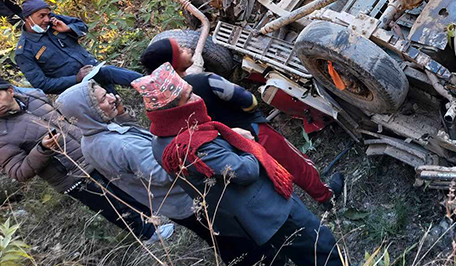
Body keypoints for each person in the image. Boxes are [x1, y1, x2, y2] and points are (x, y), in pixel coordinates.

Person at [134, 65, 343, 266]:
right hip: (268, 211)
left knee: (301, 253)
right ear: (172, 111)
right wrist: (245, 143)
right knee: (320, 246)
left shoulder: (161, 140)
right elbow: (247, 171)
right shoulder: (192, 146)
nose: (197, 97)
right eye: (189, 96)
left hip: (247, 216)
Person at [140, 38, 342, 204]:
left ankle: (293, 204)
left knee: (270, 177)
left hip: (231, 152)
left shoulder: (165, 106)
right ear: (172, 63)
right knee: (296, 164)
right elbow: (248, 100)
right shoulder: (205, 80)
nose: (187, 48)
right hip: (252, 132)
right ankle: (326, 196)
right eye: (181, 50)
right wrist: (249, 112)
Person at [0, 74, 173, 243]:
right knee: (114, 206)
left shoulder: (34, 98)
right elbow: (18, 172)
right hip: (73, 176)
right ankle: (148, 234)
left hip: (92, 155)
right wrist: (42, 150)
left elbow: (66, 118)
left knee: (128, 190)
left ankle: (155, 218)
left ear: (10, 91)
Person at [56, 81, 239, 257]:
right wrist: (201, 153)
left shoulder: (90, 139)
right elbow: (163, 173)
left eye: (107, 93)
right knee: (233, 240)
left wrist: (122, 116)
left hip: (171, 205)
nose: (113, 98)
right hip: (186, 199)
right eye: (103, 99)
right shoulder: (119, 145)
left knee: (217, 240)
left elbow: (134, 145)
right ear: (86, 112)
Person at [15, 0, 142, 94]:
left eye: (48, 14)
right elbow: (43, 85)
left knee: (115, 97)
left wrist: (68, 29)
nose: (47, 19)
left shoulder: (52, 21)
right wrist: (76, 78)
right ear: (27, 18)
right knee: (109, 78)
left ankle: (148, 83)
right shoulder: (24, 51)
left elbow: (82, 26)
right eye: (41, 16)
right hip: (78, 89)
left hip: (93, 68)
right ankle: (149, 83)